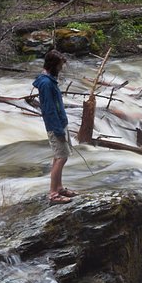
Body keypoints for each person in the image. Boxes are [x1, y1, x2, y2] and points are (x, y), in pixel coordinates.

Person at [34, 49, 78, 204]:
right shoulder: (46, 84)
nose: (61, 68)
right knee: (61, 157)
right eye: (60, 66)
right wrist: (58, 129)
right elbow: (49, 109)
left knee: (61, 156)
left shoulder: (49, 80)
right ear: (53, 65)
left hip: (60, 122)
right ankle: (53, 194)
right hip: (55, 125)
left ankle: (59, 187)